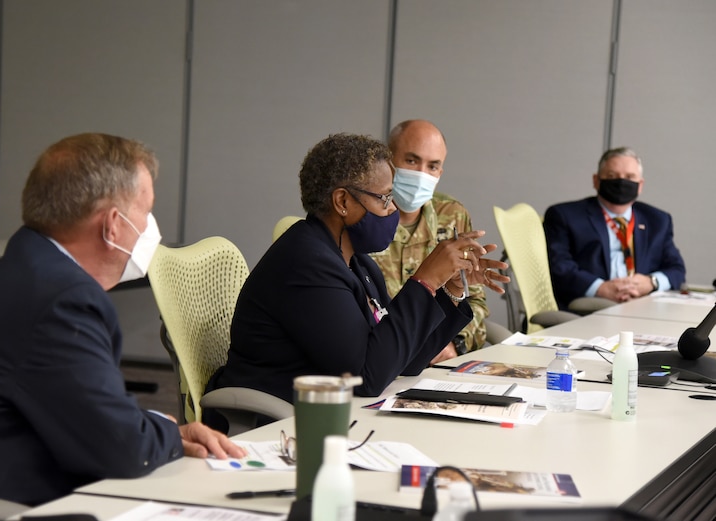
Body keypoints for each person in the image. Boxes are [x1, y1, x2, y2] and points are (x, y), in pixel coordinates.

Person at [0, 133, 244, 506]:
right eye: (145, 212)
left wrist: (146, 426)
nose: (150, 228)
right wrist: (165, 430)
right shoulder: (62, 300)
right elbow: (122, 450)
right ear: (113, 224)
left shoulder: (30, 266)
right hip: (2, 502)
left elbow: (83, 404)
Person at [205, 133, 508, 424]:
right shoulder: (305, 263)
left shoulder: (357, 263)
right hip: (271, 423)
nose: (393, 209)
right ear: (342, 202)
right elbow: (368, 376)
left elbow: (402, 358)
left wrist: (450, 288)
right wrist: (425, 281)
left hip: (331, 412)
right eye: (385, 198)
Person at [370, 120, 489, 360]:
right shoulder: (362, 219)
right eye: (411, 161)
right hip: (377, 362)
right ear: (387, 160)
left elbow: (474, 301)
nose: (421, 174)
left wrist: (455, 344)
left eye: (433, 166)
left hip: (438, 366)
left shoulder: (452, 215)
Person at [543, 146, 686, 309]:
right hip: (585, 309)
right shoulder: (565, 216)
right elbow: (559, 266)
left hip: (641, 308)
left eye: (629, 177)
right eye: (612, 176)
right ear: (596, 181)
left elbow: (677, 269)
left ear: (640, 185)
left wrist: (651, 282)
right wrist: (601, 288)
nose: (621, 182)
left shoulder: (657, 220)